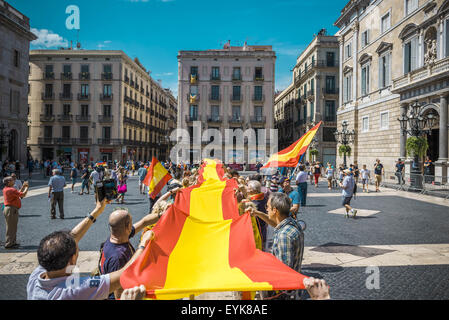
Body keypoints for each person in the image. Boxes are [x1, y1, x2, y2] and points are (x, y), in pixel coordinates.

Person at [26, 199, 155, 300]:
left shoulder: (36, 277)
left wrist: (96, 211)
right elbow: (123, 273)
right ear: (72, 260)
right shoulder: (77, 290)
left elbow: (73, 237)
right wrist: (143, 245)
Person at [250, 193, 325, 300]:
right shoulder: (292, 224)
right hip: (292, 289)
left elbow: (284, 270)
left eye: (268, 207)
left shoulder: (284, 236)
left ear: (275, 210)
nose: (266, 209)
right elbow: (275, 223)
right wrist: (257, 213)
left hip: (283, 293)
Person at [99, 206, 165, 299]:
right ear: (127, 227)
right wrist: (143, 243)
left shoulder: (119, 236)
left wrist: (163, 214)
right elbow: (119, 295)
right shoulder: (118, 258)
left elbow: (144, 222)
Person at [2, 176, 29, 249]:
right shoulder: (11, 190)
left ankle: (12, 242)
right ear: (8, 182)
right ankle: (9, 243)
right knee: (11, 227)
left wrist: (23, 186)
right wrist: (26, 187)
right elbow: (23, 195)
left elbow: (18, 193)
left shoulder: (7, 189)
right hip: (11, 209)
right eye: (12, 180)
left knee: (12, 226)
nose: (14, 180)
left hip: (10, 209)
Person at [247, 180, 268, 251]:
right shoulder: (262, 196)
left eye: (248, 188)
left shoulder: (256, 202)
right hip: (263, 227)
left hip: (258, 231)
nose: (247, 189)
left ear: (254, 191)